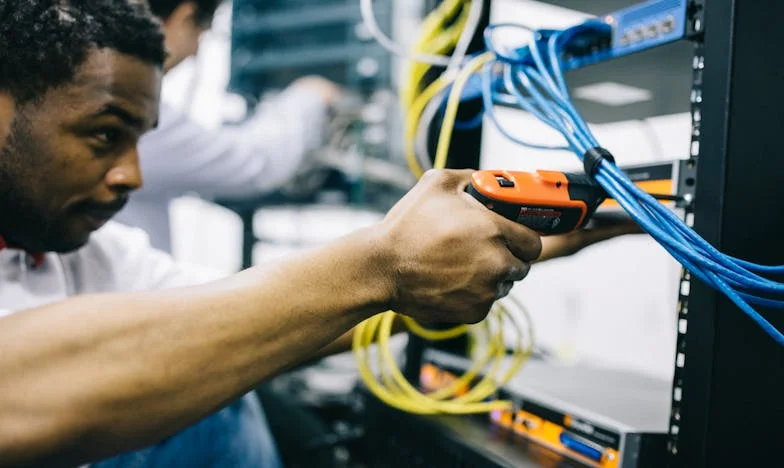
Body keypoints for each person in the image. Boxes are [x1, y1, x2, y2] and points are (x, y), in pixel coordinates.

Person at [0, 1, 638, 466]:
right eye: (106, 135)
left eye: (141, 140)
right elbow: (18, 394)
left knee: (222, 388)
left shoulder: (81, 252)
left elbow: (239, 314)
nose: (132, 175)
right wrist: (385, 265)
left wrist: (483, 252)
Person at [115, 0, 345, 252]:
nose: (195, 53)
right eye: (201, 34)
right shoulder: (137, 114)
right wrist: (309, 94)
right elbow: (256, 162)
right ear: (185, 17)